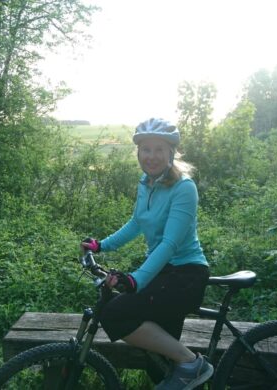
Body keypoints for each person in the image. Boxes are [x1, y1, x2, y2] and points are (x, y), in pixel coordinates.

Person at [81, 118, 212, 390]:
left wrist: (136, 279)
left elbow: (169, 244)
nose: (151, 156)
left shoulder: (184, 188)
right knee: (161, 360)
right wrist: (102, 245)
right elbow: (136, 223)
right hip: (165, 273)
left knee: (114, 312)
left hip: (186, 274)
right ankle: (183, 370)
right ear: (138, 153)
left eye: (159, 149)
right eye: (146, 149)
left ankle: (192, 363)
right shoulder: (146, 183)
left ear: (171, 154)